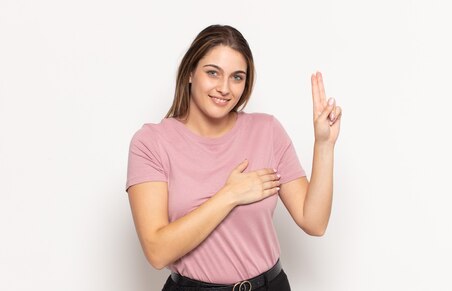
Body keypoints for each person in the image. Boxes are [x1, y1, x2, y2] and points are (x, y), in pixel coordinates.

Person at [125, 24, 342, 291]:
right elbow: (157, 252)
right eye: (213, 73)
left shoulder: (267, 131)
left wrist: (324, 145)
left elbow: (314, 221)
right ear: (190, 72)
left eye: (237, 77)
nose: (224, 88)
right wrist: (230, 195)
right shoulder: (151, 143)